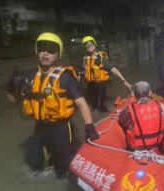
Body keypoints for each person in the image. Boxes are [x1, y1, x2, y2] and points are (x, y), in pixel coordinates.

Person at [7, 32, 100, 178]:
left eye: (51, 50)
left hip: (62, 129)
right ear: (38, 51)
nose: (45, 53)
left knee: (64, 172)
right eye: (42, 48)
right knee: (34, 168)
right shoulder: (30, 76)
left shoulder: (66, 77)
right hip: (40, 128)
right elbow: (13, 101)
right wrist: (11, 88)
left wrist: (90, 128)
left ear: (58, 55)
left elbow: (82, 104)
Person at [82, 36, 132, 112]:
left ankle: (105, 113)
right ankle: (95, 114)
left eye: (91, 44)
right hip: (91, 83)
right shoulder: (86, 58)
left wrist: (124, 81)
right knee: (92, 102)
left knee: (99, 104)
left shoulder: (101, 58)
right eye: (86, 45)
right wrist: (80, 74)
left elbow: (113, 69)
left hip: (101, 84)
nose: (89, 46)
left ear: (95, 44)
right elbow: (86, 69)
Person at [118, 81, 164, 151]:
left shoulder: (130, 109)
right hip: (158, 143)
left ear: (134, 95)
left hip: (137, 147)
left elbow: (121, 122)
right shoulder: (159, 105)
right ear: (150, 93)